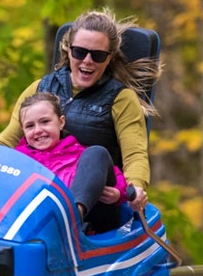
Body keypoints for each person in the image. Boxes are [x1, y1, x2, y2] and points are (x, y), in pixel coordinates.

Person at [0, 8, 161, 230]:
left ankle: (70, 218)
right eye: (80, 52)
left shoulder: (121, 98)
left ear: (109, 58)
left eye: (97, 55)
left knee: (96, 153)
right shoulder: (40, 89)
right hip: (38, 193)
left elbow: (135, 154)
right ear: (68, 50)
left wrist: (135, 187)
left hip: (98, 203)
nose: (87, 61)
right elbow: (6, 141)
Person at [15, 92, 127, 229]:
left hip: (86, 226)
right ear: (23, 130)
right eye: (30, 126)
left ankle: (72, 216)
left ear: (61, 122)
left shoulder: (81, 154)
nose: (38, 130)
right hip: (32, 225)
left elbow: (118, 178)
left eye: (45, 122)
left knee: (97, 152)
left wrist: (118, 193)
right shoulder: (18, 160)